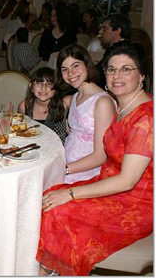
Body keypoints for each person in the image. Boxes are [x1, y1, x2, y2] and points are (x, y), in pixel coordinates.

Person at [36, 41, 153, 276]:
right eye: (111, 69)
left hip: (132, 203)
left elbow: (127, 181)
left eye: (126, 69)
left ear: (141, 75)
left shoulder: (146, 119)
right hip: (107, 186)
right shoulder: (122, 106)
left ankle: (51, 269)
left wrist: (69, 193)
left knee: (56, 210)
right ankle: (48, 268)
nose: (116, 76)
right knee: (45, 201)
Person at [58, 44, 116, 183]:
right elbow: (74, 133)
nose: (70, 73)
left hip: (87, 173)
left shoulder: (102, 102)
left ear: (87, 65)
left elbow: (101, 155)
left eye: (76, 65)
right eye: (64, 69)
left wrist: (64, 169)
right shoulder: (75, 97)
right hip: (68, 162)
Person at [18, 67, 71, 144]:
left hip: (58, 149)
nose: (43, 88)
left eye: (49, 84)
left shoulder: (63, 105)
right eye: (39, 83)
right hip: (32, 148)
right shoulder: (25, 106)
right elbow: (21, 131)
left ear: (56, 89)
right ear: (32, 87)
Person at [95, 13, 131, 89]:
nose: (100, 31)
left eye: (105, 29)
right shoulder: (124, 45)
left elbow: (98, 74)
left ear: (118, 31)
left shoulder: (120, 50)